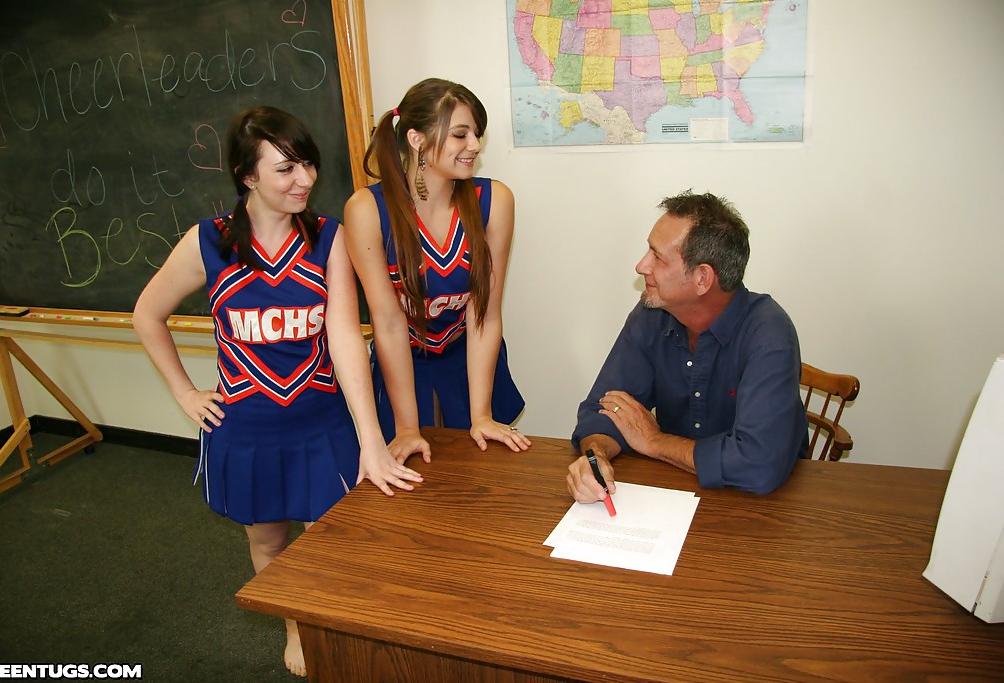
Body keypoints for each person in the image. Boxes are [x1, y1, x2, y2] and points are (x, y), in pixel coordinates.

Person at [133, 106, 423, 677]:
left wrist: (370, 439)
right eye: (286, 169)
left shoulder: (328, 238)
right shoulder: (208, 242)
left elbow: (344, 336)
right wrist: (185, 393)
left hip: (320, 422)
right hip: (246, 428)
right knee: (267, 541)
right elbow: (147, 314)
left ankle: (330, 622)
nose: (305, 179)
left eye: (307, 165)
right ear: (247, 175)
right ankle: (294, 626)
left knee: (333, 538)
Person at [567, 190, 808, 503]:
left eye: (658, 257)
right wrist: (596, 456)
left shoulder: (769, 335)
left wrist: (655, 442)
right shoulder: (652, 314)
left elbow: (758, 464)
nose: (641, 266)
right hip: (674, 493)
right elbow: (603, 408)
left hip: (762, 508)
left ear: (702, 278)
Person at [344, 78, 531, 459]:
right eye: (460, 134)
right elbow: (388, 324)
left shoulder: (494, 200)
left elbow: (485, 313)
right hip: (403, 368)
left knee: (480, 470)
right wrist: (406, 427)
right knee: (416, 480)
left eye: (476, 134)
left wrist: (481, 415)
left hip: (470, 362)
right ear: (417, 139)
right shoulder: (367, 210)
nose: (474, 145)